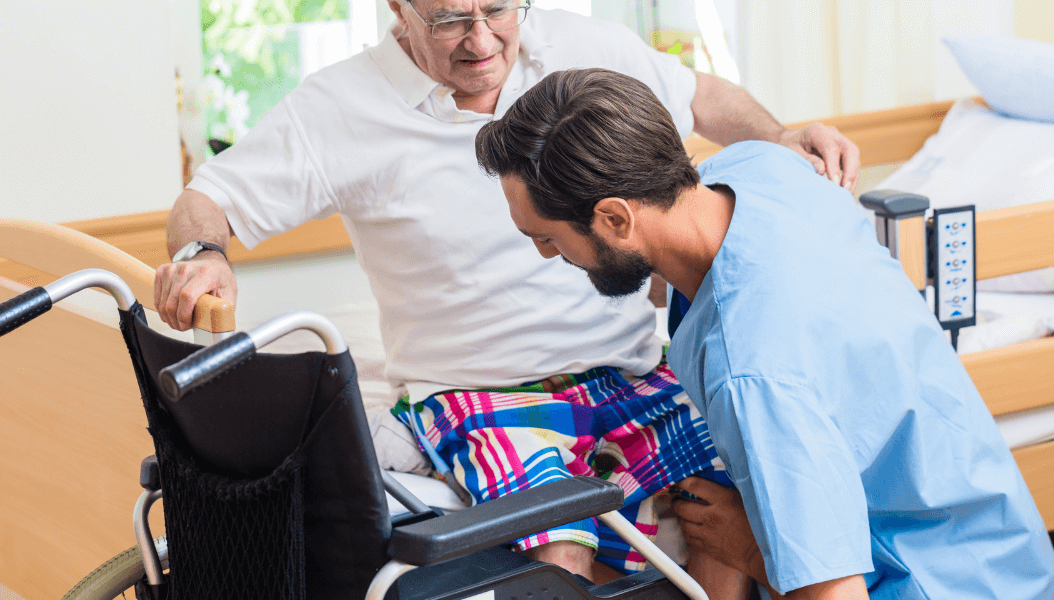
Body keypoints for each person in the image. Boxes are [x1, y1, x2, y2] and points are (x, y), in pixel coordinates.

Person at [154, 0, 857, 587]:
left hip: (630, 369)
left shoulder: (582, 44)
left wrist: (781, 138)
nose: (482, 38)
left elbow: (701, 97)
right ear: (398, 10)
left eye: (497, 8)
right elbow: (207, 198)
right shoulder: (339, 107)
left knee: (723, 491)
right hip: (479, 391)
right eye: (451, 19)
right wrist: (201, 254)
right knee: (558, 537)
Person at [474, 67, 1054, 599]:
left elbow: (835, 596)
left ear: (615, 219)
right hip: (1008, 556)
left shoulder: (752, 368)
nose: (546, 254)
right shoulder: (761, 167)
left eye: (548, 238)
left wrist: (758, 552)